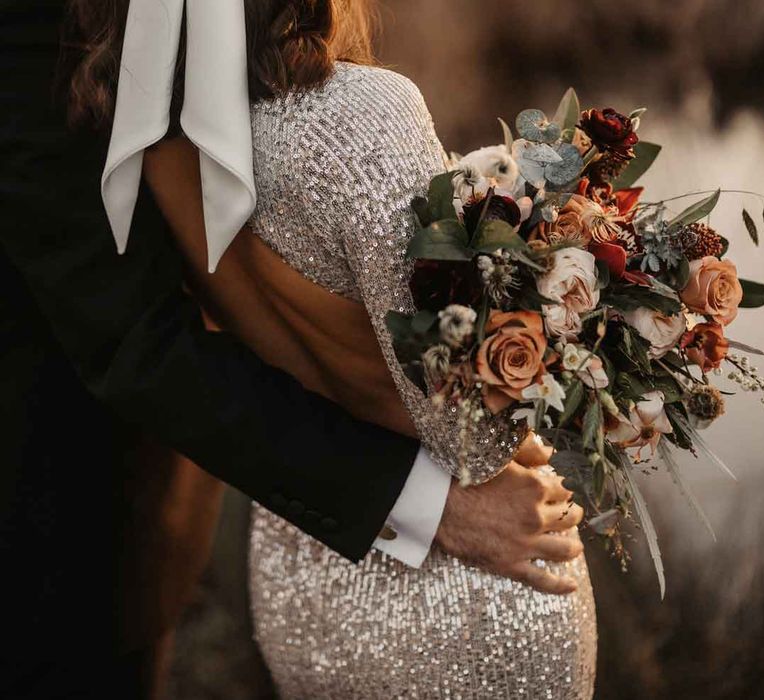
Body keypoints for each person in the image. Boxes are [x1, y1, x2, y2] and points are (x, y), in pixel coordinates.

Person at [1, 0, 590, 698]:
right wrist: (436, 498)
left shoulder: (167, 74)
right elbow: (134, 343)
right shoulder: (371, 107)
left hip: (215, 531)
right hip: (62, 530)